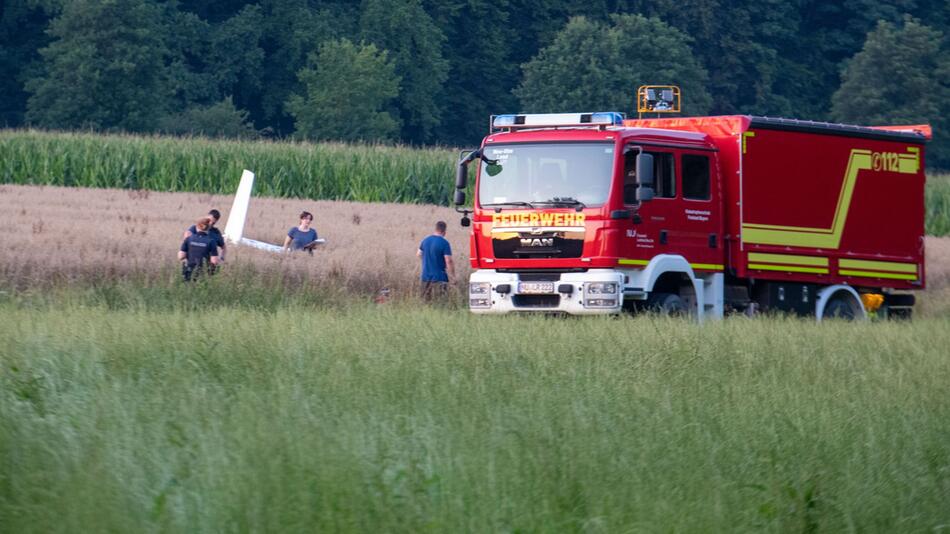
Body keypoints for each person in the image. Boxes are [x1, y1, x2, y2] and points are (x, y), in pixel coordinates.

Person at [417, 221, 454, 301]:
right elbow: (448, 260)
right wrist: (453, 276)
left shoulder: (425, 240)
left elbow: (419, 254)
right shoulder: (444, 243)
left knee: (425, 303)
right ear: (444, 231)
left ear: (435, 229)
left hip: (425, 276)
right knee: (440, 302)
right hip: (439, 277)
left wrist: (427, 261)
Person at [179, 216, 220, 281]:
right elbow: (214, 261)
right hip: (203, 273)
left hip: (188, 271)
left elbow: (181, 256)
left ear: (197, 226)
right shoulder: (211, 241)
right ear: (208, 227)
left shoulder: (188, 239)